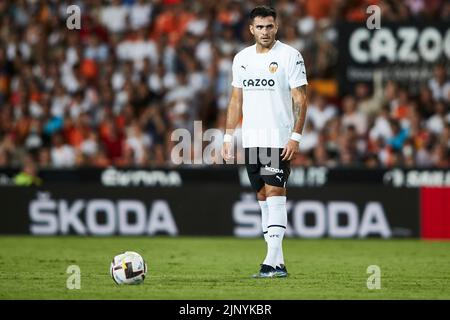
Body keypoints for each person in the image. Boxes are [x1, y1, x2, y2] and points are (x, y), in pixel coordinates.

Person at [221, 6, 308, 278]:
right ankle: (278, 264)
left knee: (274, 194)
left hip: (277, 139)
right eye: (260, 27)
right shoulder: (242, 58)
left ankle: (269, 263)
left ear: (276, 27)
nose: (265, 31)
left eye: (269, 26)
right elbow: (236, 100)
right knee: (262, 198)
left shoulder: (290, 56)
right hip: (252, 140)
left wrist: (295, 136)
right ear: (251, 29)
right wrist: (227, 135)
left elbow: (301, 99)